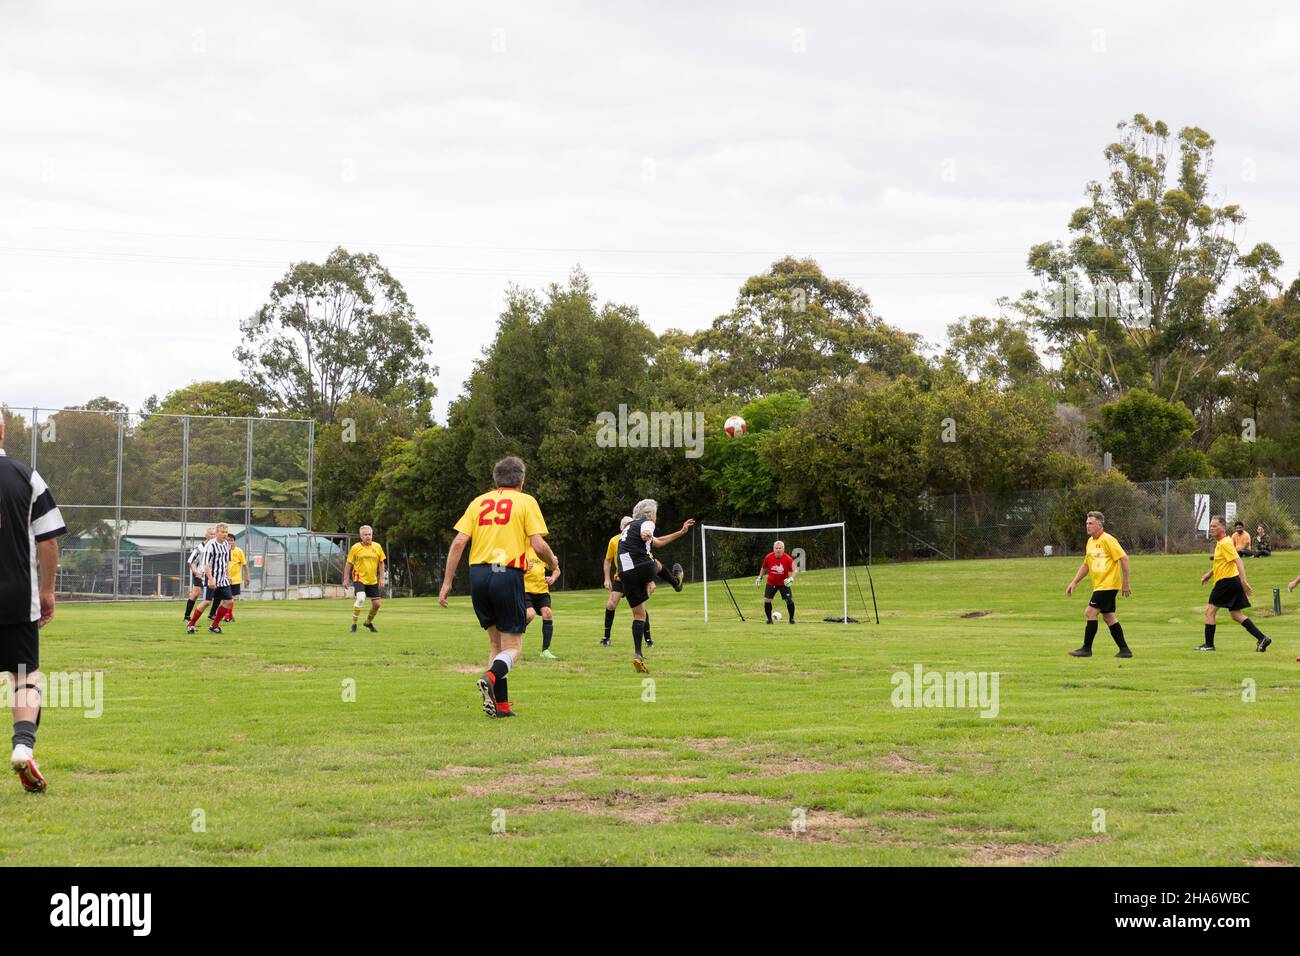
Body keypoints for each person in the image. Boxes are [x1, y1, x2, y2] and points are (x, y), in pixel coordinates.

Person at [439, 456, 558, 718]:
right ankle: (490, 677)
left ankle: (501, 705)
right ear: (522, 481)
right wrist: (552, 561)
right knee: (513, 647)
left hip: (478, 574)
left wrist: (447, 582)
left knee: (496, 646)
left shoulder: (478, 502)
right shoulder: (526, 501)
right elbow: (538, 545)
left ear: (496, 480)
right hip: (506, 574)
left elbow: (459, 543)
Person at [0, 418, 67, 793]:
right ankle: (23, 746)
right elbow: (48, 541)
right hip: (15, 599)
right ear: (3, 432)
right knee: (25, 675)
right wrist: (47, 591)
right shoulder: (26, 477)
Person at [616, 499, 693, 673]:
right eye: (655, 514)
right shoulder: (647, 523)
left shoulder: (628, 527)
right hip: (641, 566)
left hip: (625, 573)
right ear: (651, 514)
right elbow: (647, 531)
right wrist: (646, 533)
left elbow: (656, 542)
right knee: (655, 563)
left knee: (639, 615)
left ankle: (638, 654)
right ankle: (675, 583)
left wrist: (681, 532)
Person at [1064, 511, 1132, 658]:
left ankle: (1086, 649)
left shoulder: (1108, 539)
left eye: (1091, 523)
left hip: (1108, 585)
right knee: (1109, 617)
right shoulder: (1090, 542)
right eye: (1087, 523)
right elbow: (1086, 565)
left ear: (1100, 525)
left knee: (1090, 612)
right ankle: (1125, 650)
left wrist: (1126, 582)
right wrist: (1074, 582)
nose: (1087, 526)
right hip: (1100, 585)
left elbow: (1124, 559)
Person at [1199, 515, 1271, 652]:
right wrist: (1209, 575)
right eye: (1211, 526)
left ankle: (1209, 645)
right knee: (1236, 614)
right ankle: (1262, 638)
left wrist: (1244, 581)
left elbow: (1238, 561)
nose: (1211, 528)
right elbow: (1221, 563)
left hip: (1226, 582)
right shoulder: (1222, 542)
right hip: (1232, 581)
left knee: (1209, 611)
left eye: (1214, 526)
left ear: (1222, 528)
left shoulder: (1225, 543)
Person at [602, 516, 655, 648]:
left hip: (636, 578)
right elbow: (608, 560)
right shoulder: (614, 541)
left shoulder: (639, 539)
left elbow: (648, 559)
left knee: (641, 609)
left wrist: (650, 580)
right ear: (621, 527)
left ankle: (648, 639)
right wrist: (607, 579)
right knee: (611, 604)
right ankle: (606, 637)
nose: (627, 526)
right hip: (620, 578)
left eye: (629, 523)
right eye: (624, 524)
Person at [187, 524, 234, 635]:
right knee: (207, 602)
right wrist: (211, 579)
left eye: (226, 532)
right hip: (211, 579)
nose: (225, 534)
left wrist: (227, 575)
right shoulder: (210, 545)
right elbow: (206, 564)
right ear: (217, 533)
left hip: (223, 580)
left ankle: (214, 625)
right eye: (222, 532)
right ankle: (191, 624)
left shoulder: (227, 544)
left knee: (228, 602)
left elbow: (226, 561)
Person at [344, 526, 386, 633]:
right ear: (361, 536)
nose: (368, 536)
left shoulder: (377, 547)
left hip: (372, 579)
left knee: (377, 605)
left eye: (369, 534)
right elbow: (349, 563)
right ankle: (354, 625)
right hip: (359, 577)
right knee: (361, 597)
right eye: (365, 535)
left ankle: (368, 623)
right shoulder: (355, 548)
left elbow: (381, 563)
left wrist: (382, 578)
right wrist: (346, 579)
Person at [524, 543, 561, 659]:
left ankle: (545, 650)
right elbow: (509, 568)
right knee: (529, 615)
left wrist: (552, 578)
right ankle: (511, 635)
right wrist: (523, 568)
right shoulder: (521, 548)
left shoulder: (542, 551)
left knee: (548, 613)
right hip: (525, 589)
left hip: (542, 590)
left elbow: (556, 569)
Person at [756, 540, 797, 624]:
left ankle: (791, 619)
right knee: (767, 600)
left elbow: (795, 569)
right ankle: (769, 620)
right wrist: (760, 578)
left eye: (780, 548)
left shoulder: (788, 558)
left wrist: (791, 579)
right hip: (771, 583)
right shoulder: (768, 557)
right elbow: (763, 568)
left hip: (784, 583)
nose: (778, 549)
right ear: (773, 549)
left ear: (783, 549)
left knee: (789, 600)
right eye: (776, 548)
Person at [211, 535, 249, 623]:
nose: (230, 542)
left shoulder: (239, 551)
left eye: (231, 540)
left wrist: (247, 576)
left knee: (230, 598)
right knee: (227, 599)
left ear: (234, 541)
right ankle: (228, 616)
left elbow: (245, 564)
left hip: (235, 579)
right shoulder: (222, 550)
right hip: (223, 578)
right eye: (228, 540)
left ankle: (228, 616)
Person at [183, 527, 215, 622]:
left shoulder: (215, 546)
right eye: (211, 534)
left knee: (214, 596)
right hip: (200, 574)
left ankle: (212, 615)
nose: (213, 536)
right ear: (206, 535)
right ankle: (187, 616)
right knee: (195, 594)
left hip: (210, 574)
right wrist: (196, 572)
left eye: (214, 534)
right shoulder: (200, 547)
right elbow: (191, 561)